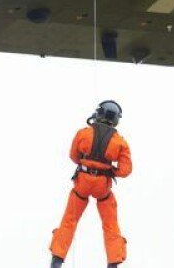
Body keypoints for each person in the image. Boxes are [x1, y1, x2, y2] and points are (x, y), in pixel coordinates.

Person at [49, 100, 133, 268]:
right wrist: (109, 171)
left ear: (99, 114)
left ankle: (56, 261)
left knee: (69, 220)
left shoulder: (84, 133)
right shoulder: (120, 142)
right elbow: (125, 170)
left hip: (82, 182)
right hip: (103, 186)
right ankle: (113, 263)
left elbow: (74, 156)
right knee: (110, 224)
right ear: (116, 119)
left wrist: (87, 163)